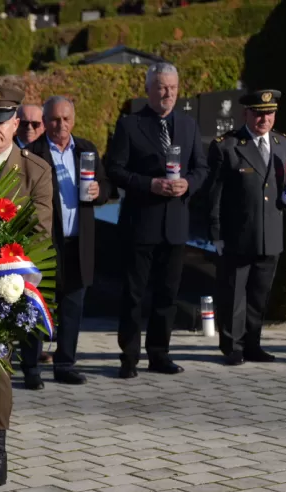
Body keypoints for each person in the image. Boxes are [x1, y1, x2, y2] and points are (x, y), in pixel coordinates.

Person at [0, 83, 54, 481]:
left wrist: (2, 251)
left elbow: (41, 230)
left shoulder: (34, 169)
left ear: (16, 122)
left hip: (9, 280)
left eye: (1, 122)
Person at [105, 63, 209, 379]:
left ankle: (159, 353)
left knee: (168, 293)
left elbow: (202, 169)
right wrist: (149, 184)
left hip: (175, 224)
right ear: (149, 89)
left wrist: (188, 184)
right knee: (135, 294)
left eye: (173, 88)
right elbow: (115, 170)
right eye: (162, 87)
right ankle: (129, 356)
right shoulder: (130, 125)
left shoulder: (189, 126)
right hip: (141, 223)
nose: (168, 94)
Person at [209, 89, 286, 365]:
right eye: (259, 113)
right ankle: (232, 346)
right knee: (234, 293)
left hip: (270, 231)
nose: (264, 119)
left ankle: (253, 344)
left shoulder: (284, 145)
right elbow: (214, 194)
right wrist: (215, 232)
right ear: (246, 113)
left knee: (259, 294)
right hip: (238, 233)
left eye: (269, 113)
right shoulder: (227, 146)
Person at [25, 96, 111, 386]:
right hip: (45, 244)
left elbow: (107, 186)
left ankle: (65, 364)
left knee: (73, 306)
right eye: (53, 119)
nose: (60, 125)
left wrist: (99, 191)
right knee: (39, 306)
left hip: (79, 241)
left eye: (65, 119)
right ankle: (31, 368)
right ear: (45, 121)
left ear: (73, 120)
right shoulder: (33, 153)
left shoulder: (86, 149)